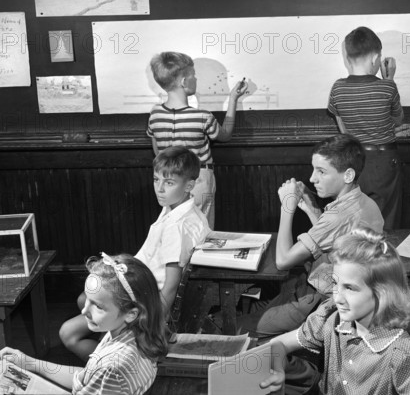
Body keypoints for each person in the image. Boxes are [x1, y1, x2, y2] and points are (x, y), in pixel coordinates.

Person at [60, 146, 210, 361]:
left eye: (169, 183)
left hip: (144, 298)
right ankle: (113, 345)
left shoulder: (176, 227)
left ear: (190, 185)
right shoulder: (182, 209)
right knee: (86, 296)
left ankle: (111, 367)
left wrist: (153, 326)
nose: (159, 189)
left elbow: (170, 286)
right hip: (139, 285)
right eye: (156, 180)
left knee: (68, 333)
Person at [259, 228, 410, 395]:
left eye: (350, 288)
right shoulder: (330, 318)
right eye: (335, 283)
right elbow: (278, 344)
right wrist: (278, 370)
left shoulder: (403, 353)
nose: (338, 297)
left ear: (382, 293)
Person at [236, 134, 384, 340]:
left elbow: (283, 261)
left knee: (238, 329)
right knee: (264, 304)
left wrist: (287, 205)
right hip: (345, 292)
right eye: (313, 169)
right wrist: (309, 206)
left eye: (321, 172)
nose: (312, 178)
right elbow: (334, 239)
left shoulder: (339, 215)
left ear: (348, 175)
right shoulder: (364, 202)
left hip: (325, 301)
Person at [1, 253, 169, 395]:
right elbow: (86, 377)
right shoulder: (127, 332)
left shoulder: (114, 366)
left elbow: (100, 375)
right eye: (87, 299)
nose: (84, 311)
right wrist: (30, 362)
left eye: (98, 306)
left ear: (131, 313)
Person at [147, 51, 248, 229]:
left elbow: (158, 153)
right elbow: (225, 135)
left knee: (175, 229)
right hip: (199, 179)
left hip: (169, 181)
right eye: (194, 75)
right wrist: (233, 99)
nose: (196, 79)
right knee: (202, 231)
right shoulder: (202, 116)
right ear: (184, 82)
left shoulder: (155, 114)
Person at [327, 26, 410, 230]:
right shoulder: (387, 87)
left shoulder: (338, 88)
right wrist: (389, 79)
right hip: (384, 161)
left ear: (348, 57)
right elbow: (398, 119)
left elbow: (342, 126)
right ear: (376, 58)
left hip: (354, 160)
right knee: (387, 218)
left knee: (356, 216)